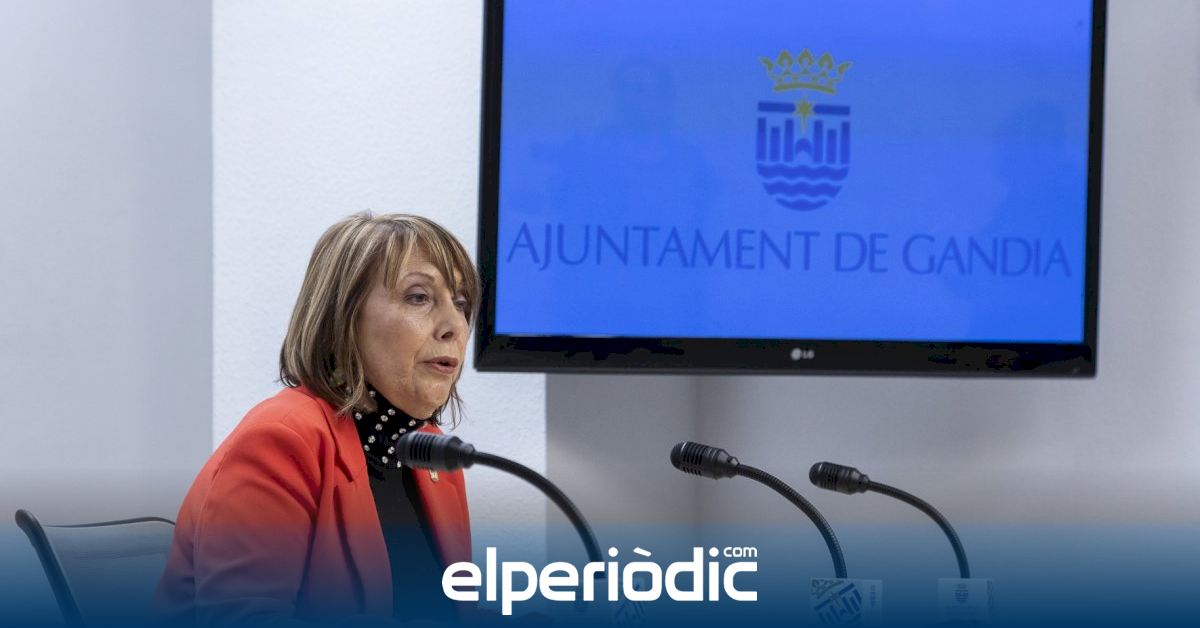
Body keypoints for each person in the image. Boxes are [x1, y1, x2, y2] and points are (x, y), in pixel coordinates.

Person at [152, 212, 480, 626]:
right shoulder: (281, 441)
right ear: (343, 318)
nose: (454, 326)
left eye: (461, 303)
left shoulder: (431, 456)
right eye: (419, 297)